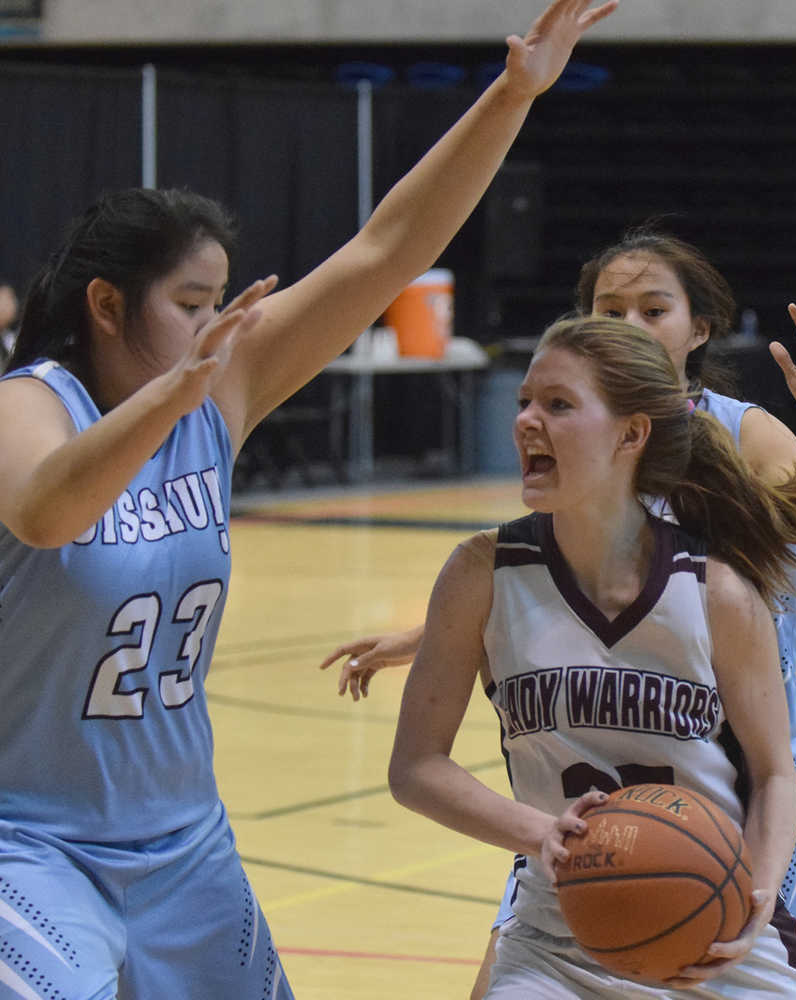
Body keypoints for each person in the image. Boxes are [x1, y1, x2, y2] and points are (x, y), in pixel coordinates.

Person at [0, 4, 621, 998]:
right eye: (191, 307)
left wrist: (513, 97)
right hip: (29, 841)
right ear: (107, 306)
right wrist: (176, 391)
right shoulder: (32, 401)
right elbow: (44, 513)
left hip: (181, 841)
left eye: (221, 303)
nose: (218, 326)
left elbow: (386, 252)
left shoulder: (216, 391)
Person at [319, 229, 796, 998]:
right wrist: (431, 636)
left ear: (699, 327)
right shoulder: (543, 496)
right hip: (583, 808)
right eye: (610, 308)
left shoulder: (737, 439)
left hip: (726, 777)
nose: (629, 324)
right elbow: (545, 587)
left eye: (653, 309)